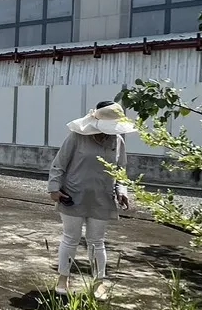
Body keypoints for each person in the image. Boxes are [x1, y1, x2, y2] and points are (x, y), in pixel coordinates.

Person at [47, 101, 136, 297]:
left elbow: (120, 171)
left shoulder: (118, 141)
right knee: (71, 238)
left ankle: (99, 282)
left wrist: (122, 190)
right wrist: (54, 188)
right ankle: (63, 277)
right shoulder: (77, 136)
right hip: (72, 195)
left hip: (102, 198)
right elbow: (59, 164)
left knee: (97, 241)